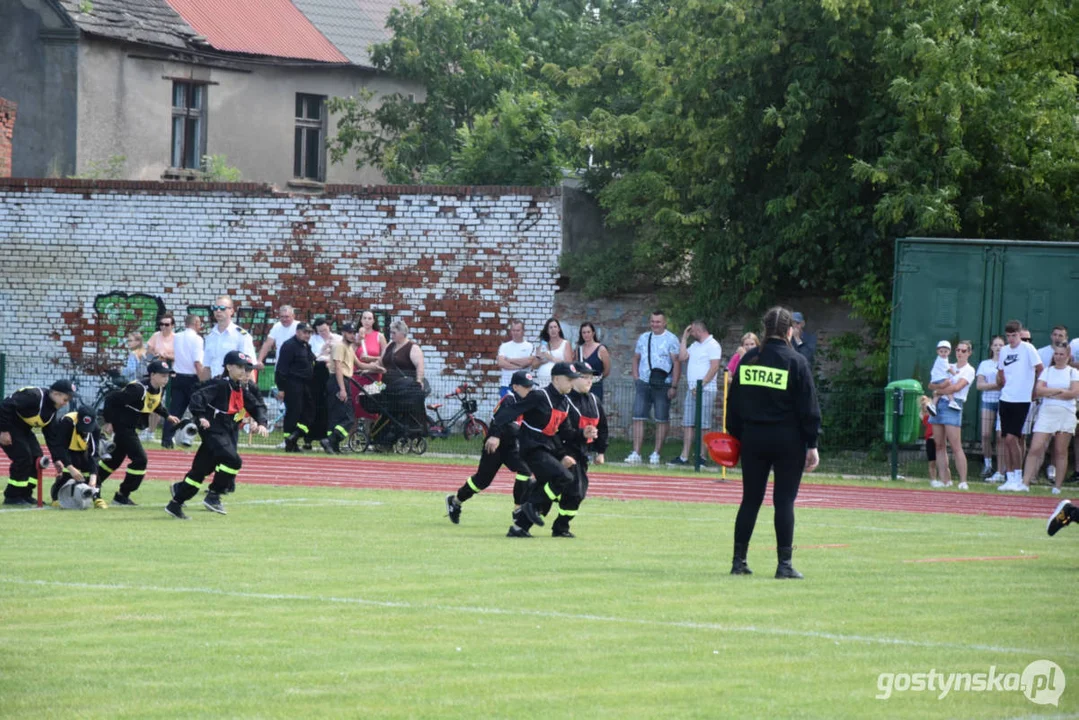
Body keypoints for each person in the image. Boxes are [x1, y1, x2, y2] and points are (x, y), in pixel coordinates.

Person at [726, 306, 821, 579]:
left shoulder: (749, 360)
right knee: (784, 502)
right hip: (788, 440)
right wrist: (811, 443)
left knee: (750, 500)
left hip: (754, 438)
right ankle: (784, 565)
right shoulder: (796, 362)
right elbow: (809, 409)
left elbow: (734, 404)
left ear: (764, 329)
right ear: (790, 330)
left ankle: (738, 561)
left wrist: (737, 435)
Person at [166, 351, 269, 519]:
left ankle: (175, 503)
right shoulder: (220, 385)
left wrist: (262, 423)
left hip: (226, 431)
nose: (244, 371)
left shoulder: (241, 388)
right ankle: (214, 495)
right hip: (214, 430)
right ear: (228, 367)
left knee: (199, 472)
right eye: (240, 367)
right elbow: (197, 397)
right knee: (234, 460)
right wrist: (200, 416)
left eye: (246, 368)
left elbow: (256, 406)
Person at [489, 362, 579, 538]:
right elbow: (509, 412)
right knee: (564, 477)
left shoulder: (565, 403)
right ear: (556, 379)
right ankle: (531, 504)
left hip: (548, 449)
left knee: (548, 484)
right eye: (569, 380)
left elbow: (565, 432)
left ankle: (520, 527)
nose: (572, 383)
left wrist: (584, 434)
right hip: (532, 448)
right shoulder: (539, 396)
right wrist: (495, 434)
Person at [445, 369, 535, 525]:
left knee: (525, 471)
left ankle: (518, 509)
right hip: (496, 446)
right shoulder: (509, 399)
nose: (529, 390)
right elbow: (498, 420)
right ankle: (455, 501)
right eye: (525, 386)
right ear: (515, 387)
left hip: (511, 446)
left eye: (530, 387)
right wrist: (495, 436)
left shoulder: (528, 402)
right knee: (482, 481)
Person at [98, 360, 181, 506]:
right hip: (123, 426)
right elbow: (111, 399)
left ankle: (92, 484)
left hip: (130, 427)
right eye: (163, 375)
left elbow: (154, 404)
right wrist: (109, 421)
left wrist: (167, 415)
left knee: (114, 460)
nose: (166, 378)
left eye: (168, 375)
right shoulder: (137, 389)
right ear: (152, 374)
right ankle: (123, 494)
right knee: (140, 459)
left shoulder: (158, 388)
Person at [540, 361, 608, 538]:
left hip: (581, 453)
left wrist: (601, 451)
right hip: (564, 451)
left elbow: (603, 427)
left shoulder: (594, 401)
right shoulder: (565, 401)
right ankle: (556, 524)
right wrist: (561, 454)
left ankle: (556, 523)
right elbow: (557, 430)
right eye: (584, 377)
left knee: (576, 492)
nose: (589, 381)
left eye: (591, 377)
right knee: (573, 490)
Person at [0, 380, 75, 506]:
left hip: (23, 430)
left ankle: (26, 494)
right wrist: (4, 430)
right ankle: (12, 496)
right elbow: (5, 406)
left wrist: (57, 459)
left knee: (38, 459)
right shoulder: (33, 396)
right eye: (65, 399)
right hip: (8, 426)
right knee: (23, 457)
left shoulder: (52, 410)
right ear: (56, 394)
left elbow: (51, 437)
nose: (65, 404)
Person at [1018, 346, 1079, 494]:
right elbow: (1039, 390)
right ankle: (1025, 482)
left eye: (1061, 354)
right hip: (1046, 412)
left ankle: (1057, 486)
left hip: (1066, 413)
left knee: (1060, 450)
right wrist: (1059, 391)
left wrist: (1051, 392)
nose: (1058, 356)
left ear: (1068, 355)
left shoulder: (1073, 372)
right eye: (1056, 354)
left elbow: (1074, 393)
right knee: (1035, 447)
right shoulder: (1048, 371)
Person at [626, 310, 681, 465]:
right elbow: (636, 358)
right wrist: (636, 377)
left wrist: (674, 385)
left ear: (664, 323)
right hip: (644, 381)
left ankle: (656, 453)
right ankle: (636, 452)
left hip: (663, 383)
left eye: (658, 322)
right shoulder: (644, 338)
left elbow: (677, 363)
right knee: (638, 416)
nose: (655, 324)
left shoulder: (672, 339)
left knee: (661, 418)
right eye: (653, 321)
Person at [996, 320, 1044, 492]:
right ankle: (1009, 477)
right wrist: (1005, 383)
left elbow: (1040, 369)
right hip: (1006, 398)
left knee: (1012, 438)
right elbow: (1001, 371)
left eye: (1014, 335)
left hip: (1022, 399)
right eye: (1008, 336)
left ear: (1020, 333)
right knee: (1005, 439)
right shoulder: (1004, 351)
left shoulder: (1028, 349)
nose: (1011, 339)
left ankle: (1018, 476)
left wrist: (1035, 390)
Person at [669, 320, 722, 466]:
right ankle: (684, 456)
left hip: (705, 390)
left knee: (704, 424)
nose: (691, 334)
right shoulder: (694, 345)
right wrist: (684, 339)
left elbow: (714, 367)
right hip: (691, 389)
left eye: (691, 332)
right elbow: (682, 357)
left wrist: (702, 384)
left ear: (698, 330)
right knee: (688, 423)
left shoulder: (713, 345)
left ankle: (701, 457)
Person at [927, 340, 977, 489]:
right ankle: (945, 480)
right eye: (958, 350)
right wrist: (937, 389)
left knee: (956, 445)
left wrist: (938, 391)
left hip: (953, 405)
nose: (960, 353)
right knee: (939, 445)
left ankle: (963, 481)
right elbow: (931, 384)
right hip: (939, 404)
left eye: (963, 351)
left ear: (969, 353)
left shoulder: (969, 370)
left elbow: (957, 387)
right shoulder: (948, 364)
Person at [44, 405, 106, 508]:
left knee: (91, 471)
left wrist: (93, 477)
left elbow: (94, 453)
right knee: (67, 474)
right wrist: (70, 467)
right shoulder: (67, 422)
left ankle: (97, 496)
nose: (85, 431)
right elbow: (60, 447)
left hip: (83, 449)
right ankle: (56, 498)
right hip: (67, 448)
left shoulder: (95, 428)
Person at [161, 314, 204, 449]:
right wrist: (203, 379)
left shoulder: (177, 337)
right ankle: (203, 438)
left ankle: (167, 440)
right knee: (199, 410)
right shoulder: (198, 339)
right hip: (193, 378)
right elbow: (197, 361)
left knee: (174, 410)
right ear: (196, 323)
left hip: (178, 376)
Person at [378, 320, 427, 436]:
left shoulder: (412, 348)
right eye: (391, 332)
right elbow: (380, 363)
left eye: (394, 333)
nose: (391, 335)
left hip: (404, 389)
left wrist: (419, 381)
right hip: (388, 388)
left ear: (402, 333)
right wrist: (367, 369)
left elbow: (420, 366)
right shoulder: (390, 346)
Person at [277, 322, 315, 452]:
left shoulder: (306, 346)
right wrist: (281, 388)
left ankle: (295, 436)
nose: (308, 335)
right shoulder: (289, 346)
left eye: (309, 333)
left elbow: (312, 361)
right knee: (294, 412)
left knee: (309, 411)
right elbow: (281, 368)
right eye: (305, 332)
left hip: (305, 384)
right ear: (297, 332)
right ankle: (290, 442)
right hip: (292, 384)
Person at [321, 323, 358, 455]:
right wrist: (342, 389)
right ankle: (329, 440)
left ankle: (333, 446)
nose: (352, 336)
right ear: (343, 333)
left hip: (343, 381)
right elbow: (338, 368)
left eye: (354, 333)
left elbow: (359, 364)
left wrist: (376, 366)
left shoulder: (349, 348)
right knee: (349, 418)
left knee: (336, 417)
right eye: (350, 333)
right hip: (338, 381)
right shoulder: (339, 346)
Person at [202, 295, 256, 381]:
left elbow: (248, 367)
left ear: (231, 311)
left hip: (234, 387)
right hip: (215, 386)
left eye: (222, 308)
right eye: (215, 308)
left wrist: (250, 392)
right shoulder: (210, 337)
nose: (218, 311)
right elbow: (207, 367)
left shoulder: (242, 336)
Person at [975, 336, 1005, 482]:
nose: (998, 347)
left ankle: (1001, 470)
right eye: (996, 345)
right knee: (986, 434)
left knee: (1001, 437)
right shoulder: (985, 364)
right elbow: (980, 385)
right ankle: (987, 464)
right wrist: (996, 386)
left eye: (1001, 345)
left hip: (1003, 401)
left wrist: (995, 385)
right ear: (991, 347)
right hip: (988, 401)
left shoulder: (1007, 363)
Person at [308, 318, 340, 450]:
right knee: (315, 405)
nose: (323, 333)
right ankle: (309, 438)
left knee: (330, 405)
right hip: (317, 374)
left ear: (329, 327)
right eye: (320, 331)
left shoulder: (338, 338)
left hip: (332, 372)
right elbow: (311, 357)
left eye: (325, 330)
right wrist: (322, 350)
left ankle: (328, 436)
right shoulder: (313, 340)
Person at [146, 313, 177, 442]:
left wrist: (168, 356)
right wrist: (156, 354)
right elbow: (148, 352)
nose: (164, 327)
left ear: (172, 326)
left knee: (168, 404)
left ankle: (168, 432)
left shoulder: (176, 338)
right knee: (153, 402)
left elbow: (179, 356)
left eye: (167, 324)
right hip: (156, 375)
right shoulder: (155, 336)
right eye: (161, 324)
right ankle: (149, 431)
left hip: (171, 375)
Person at [353, 310, 388, 422]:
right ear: (361, 320)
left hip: (373, 375)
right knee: (356, 405)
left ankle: (370, 434)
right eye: (364, 318)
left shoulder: (379, 336)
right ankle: (355, 435)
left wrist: (372, 359)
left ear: (373, 321)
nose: (367, 321)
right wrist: (358, 341)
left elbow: (386, 357)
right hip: (357, 375)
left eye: (369, 318)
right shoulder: (355, 336)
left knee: (371, 406)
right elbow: (349, 354)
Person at [497, 319, 538, 398]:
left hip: (523, 386)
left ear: (523, 331)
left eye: (518, 330)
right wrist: (519, 366)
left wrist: (509, 360)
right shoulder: (504, 346)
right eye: (513, 330)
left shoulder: (530, 346)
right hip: (506, 385)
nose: (515, 333)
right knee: (507, 409)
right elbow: (501, 363)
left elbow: (528, 361)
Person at [256, 304, 298, 374]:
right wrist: (259, 360)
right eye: (282, 317)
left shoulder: (299, 326)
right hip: (281, 368)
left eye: (287, 317)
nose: (284, 319)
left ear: (293, 316)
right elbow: (267, 344)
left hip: (296, 368)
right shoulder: (277, 326)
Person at [574, 322, 611, 401]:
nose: (586, 334)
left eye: (588, 332)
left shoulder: (601, 349)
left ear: (593, 333)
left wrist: (597, 378)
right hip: (582, 387)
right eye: (584, 332)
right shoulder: (579, 349)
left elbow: (607, 370)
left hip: (596, 386)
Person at [534, 317, 573, 387]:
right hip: (542, 381)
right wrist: (542, 361)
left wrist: (551, 358)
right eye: (550, 328)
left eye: (555, 327)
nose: (553, 330)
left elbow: (568, 365)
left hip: (557, 382)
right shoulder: (543, 345)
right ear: (547, 331)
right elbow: (534, 365)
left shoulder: (565, 343)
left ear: (559, 329)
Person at [926, 340, 960, 415]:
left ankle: (933, 405)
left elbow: (947, 366)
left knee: (939, 392)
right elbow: (948, 369)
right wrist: (955, 374)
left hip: (935, 379)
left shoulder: (942, 359)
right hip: (940, 378)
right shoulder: (942, 360)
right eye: (941, 351)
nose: (943, 353)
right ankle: (952, 401)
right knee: (948, 387)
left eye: (945, 351)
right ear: (937, 352)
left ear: (949, 351)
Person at [918, 397, 938, 483]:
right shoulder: (923, 415)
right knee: (932, 461)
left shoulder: (934, 413)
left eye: (926, 405)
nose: (925, 407)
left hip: (937, 438)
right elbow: (922, 414)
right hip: (930, 439)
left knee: (942, 461)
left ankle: (946, 480)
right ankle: (933, 480)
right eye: (923, 405)